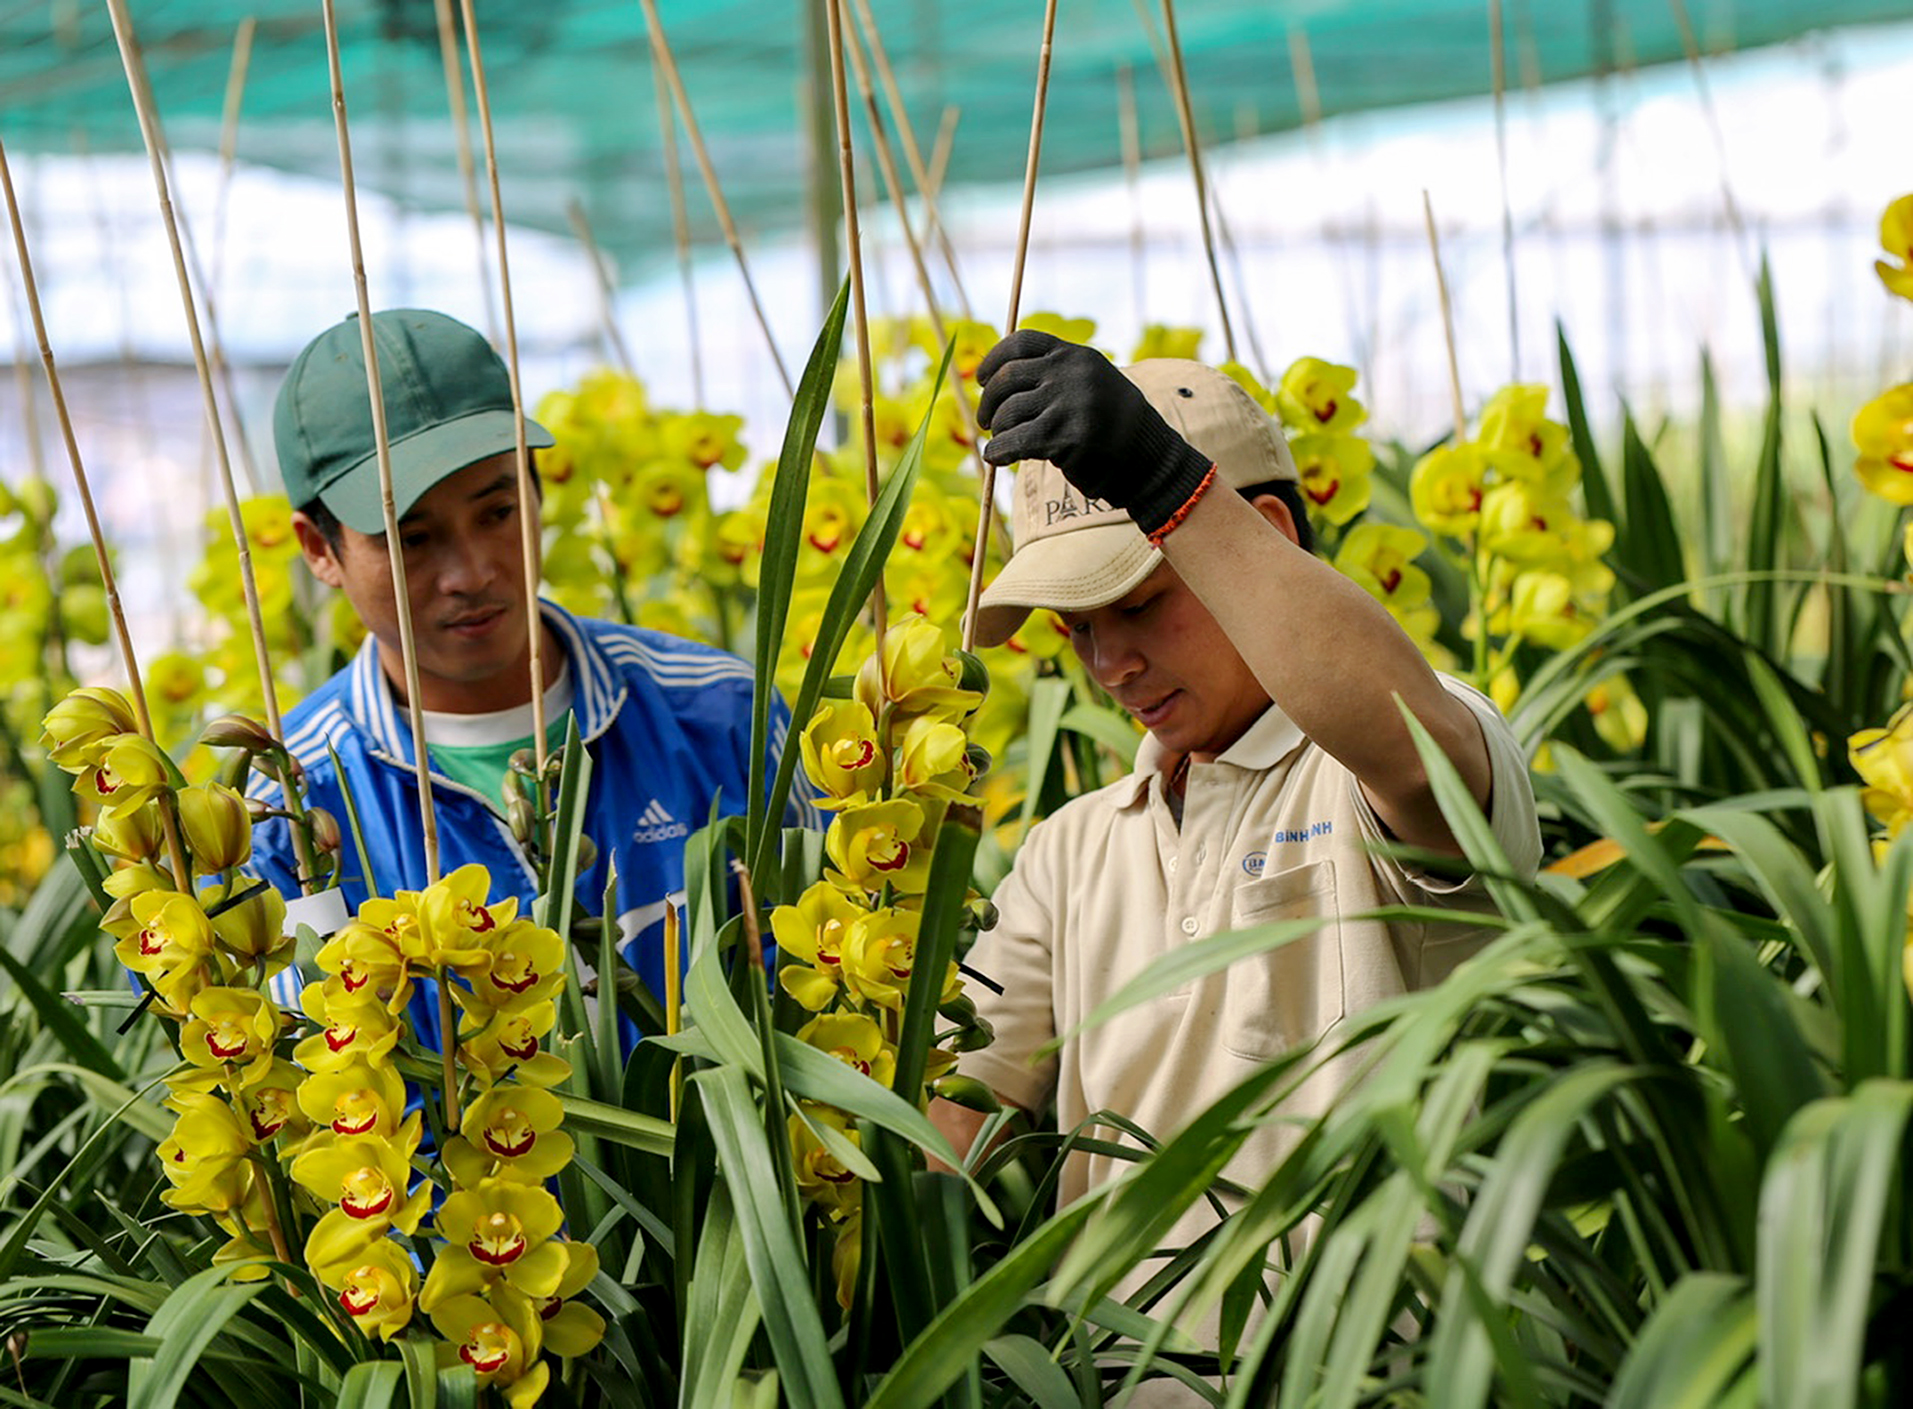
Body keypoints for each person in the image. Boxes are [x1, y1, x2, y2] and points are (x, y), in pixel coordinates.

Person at [935, 331, 1542, 1299]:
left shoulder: (1370, 775)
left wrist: (1167, 488)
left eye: (1139, 602)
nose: (1109, 663)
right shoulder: (1068, 851)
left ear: (1265, 532)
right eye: (1078, 626)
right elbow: (948, 1121)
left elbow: (1416, 757)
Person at [250, 308, 813, 1046]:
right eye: (411, 538)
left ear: (538, 491)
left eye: (498, 511)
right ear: (318, 549)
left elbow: (829, 1006)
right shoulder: (289, 802)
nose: (473, 572)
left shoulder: (720, 714)